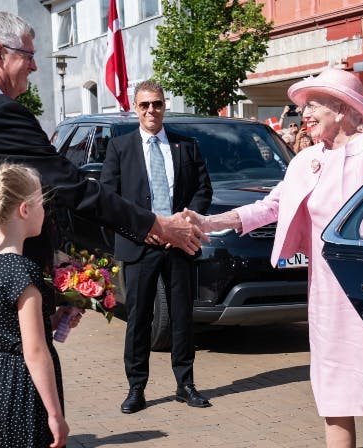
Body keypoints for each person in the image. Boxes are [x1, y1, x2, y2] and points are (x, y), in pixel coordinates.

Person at [0, 11, 206, 448]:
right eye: (29, 56)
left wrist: (63, 271)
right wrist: (154, 225)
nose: (34, 66)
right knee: (29, 417)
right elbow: (67, 184)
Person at [183, 68, 363, 448]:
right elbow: (269, 206)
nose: (303, 113)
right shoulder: (305, 160)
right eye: (303, 106)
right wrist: (208, 222)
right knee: (334, 396)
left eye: (313, 105)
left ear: (341, 108)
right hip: (327, 294)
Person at [100, 80, 213, 414]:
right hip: (140, 244)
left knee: (182, 316)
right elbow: (109, 198)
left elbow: (203, 189)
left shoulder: (186, 145)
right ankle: (136, 388)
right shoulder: (120, 148)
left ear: (165, 105)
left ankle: (185, 384)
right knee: (139, 319)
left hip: (180, 244)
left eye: (158, 104)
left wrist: (185, 219)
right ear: (136, 108)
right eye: (145, 105)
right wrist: (143, 227)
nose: (152, 110)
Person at [0, 163, 77, 447]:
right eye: (42, 203)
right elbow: (35, 351)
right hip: (26, 390)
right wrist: (55, 414)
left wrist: (51, 320)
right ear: (24, 209)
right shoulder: (22, 272)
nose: (45, 210)